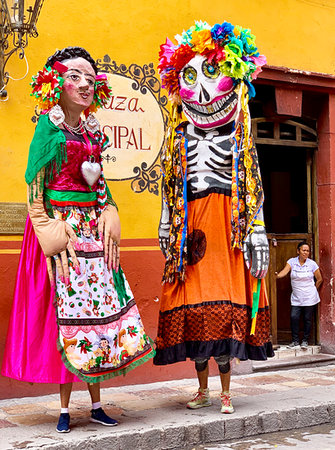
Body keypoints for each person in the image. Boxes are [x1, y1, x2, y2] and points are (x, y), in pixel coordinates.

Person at [1, 46, 155, 433]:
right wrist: (46, 227)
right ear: (57, 82)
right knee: (66, 319)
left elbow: (97, 182)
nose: (84, 85)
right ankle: (66, 409)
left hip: (92, 234)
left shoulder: (93, 131)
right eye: (75, 77)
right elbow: (35, 188)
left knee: (98, 318)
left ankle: (98, 403)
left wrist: (109, 209)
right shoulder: (47, 129)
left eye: (90, 79)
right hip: (63, 236)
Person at [154, 21, 274, 414]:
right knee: (191, 310)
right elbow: (170, 183)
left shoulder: (240, 136)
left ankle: (225, 391)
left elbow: (252, 182)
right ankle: (202, 389)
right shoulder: (179, 138)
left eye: (212, 73)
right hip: (190, 228)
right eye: (191, 76)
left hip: (228, 227)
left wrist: (256, 229)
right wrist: (166, 222)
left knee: (224, 313)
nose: (203, 90)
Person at [275, 241, 322, 349]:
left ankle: (305, 341)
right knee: (294, 317)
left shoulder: (312, 264)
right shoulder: (291, 262)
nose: (306, 253)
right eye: (303, 250)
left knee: (307, 319)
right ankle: (295, 341)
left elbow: (319, 279)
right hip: (296, 297)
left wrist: (313, 289)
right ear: (298, 251)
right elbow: (284, 272)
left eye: (307, 251)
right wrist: (276, 276)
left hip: (310, 297)